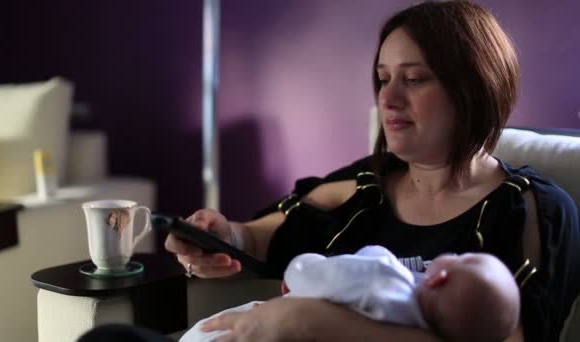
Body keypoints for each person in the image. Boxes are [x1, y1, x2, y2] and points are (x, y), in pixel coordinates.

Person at [168, 1, 580, 341]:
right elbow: (255, 236)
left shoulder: (530, 211)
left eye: (415, 79)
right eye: (383, 80)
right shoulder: (363, 188)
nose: (389, 98)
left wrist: (311, 326)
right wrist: (218, 238)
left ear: (475, 88)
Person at [181, 246, 520, 342]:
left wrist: (306, 266)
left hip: (254, 325)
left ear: (437, 279)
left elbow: (308, 276)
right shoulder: (425, 323)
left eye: (464, 257)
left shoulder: (386, 280)